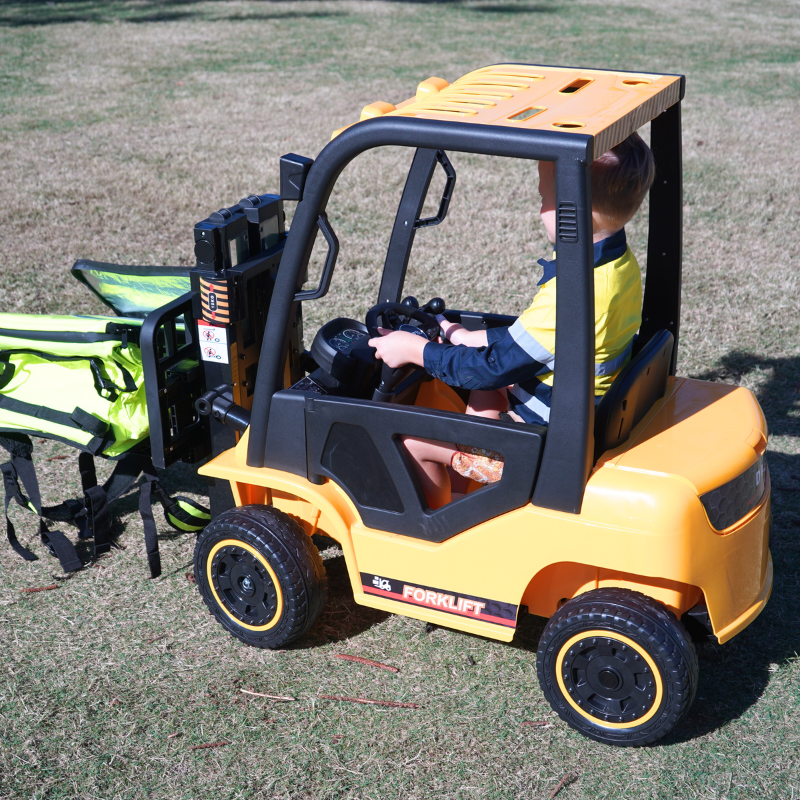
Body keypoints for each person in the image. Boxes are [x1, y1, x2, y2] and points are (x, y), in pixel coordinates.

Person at [368, 132, 655, 508]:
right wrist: (470, 338)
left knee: (409, 440)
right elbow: (535, 344)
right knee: (482, 381)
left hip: (539, 446)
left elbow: (487, 372)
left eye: (545, 199)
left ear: (573, 211)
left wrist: (413, 349)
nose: (539, 211)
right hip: (558, 416)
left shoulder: (573, 295)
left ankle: (441, 526)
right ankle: (467, 479)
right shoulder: (616, 268)